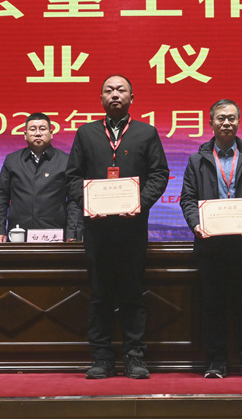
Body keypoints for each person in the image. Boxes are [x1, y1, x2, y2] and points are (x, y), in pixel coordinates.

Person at [66, 75, 169, 379]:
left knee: (132, 294)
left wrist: (139, 203)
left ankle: (134, 357)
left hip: (132, 229)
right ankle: (101, 357)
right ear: (100, 98)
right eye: (109, 90)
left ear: (131, 98)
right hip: (97, 230)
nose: (115, 94)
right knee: (100, 295)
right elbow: (72, 176)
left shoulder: (146, 133)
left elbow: (159, 174)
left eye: (121, 90)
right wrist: (88, 203)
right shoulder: (85, 133)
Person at [179, 99, 242, 379]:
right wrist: (196, 224)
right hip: (211, 245)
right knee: (213, 306)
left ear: (238, 122)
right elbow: (187, 199)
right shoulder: (197, 159)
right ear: (210, 123)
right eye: (221, 118)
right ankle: (216, 361)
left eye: (232, 118)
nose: (226, 123)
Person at [0, 112, 81, 242]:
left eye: (42, 129)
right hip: (19, 234)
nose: (38, 133)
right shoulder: (12, 160)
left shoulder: (66, 161)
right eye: (33, 129)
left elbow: (74, 201)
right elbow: (1, 197)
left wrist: (72, 234)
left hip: (55, 234)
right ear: (25, 135)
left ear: (51, 133)